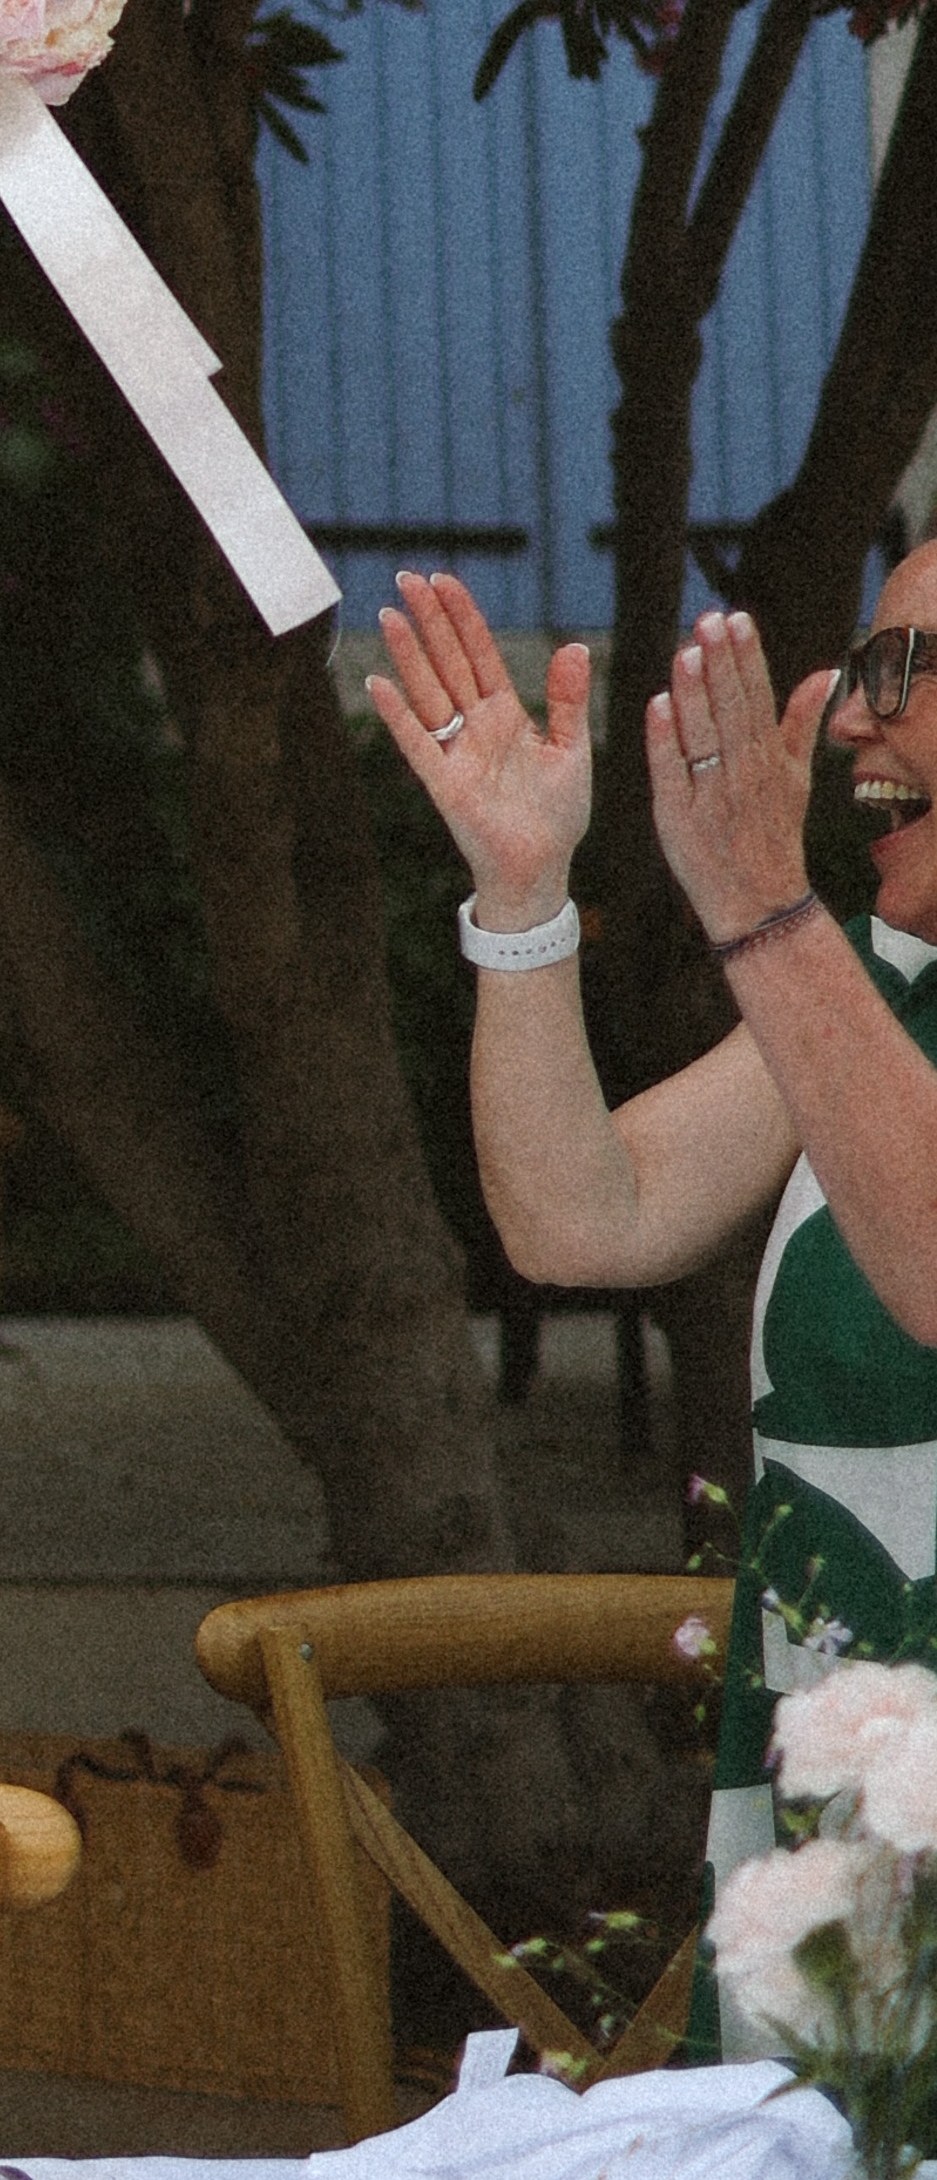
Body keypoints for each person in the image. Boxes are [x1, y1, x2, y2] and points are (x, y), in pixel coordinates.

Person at [372, 546, 937, 2020]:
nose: (859, 723)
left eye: (904, 670)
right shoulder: (877, 985)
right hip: (844, 1848)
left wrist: (762, 907)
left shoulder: (824, 963)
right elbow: (583, 1218)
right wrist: (520, 899)